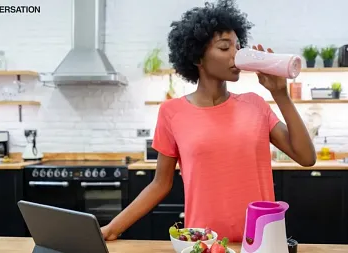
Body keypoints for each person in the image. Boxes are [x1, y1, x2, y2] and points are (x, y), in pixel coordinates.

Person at [101, 0, 316, 242]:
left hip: (260, 243)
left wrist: (281, 95)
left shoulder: (255, 104)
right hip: (203, 244)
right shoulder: (172, 112)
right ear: (197, 58)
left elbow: (306, 157)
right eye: (225, 48)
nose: (236, 55)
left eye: (238, 46)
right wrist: (111, 228)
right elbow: (160, 184)